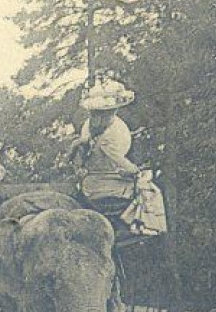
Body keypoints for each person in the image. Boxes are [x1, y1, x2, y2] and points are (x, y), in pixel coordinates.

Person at [67, 78, 167, 237]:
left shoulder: (88, 126)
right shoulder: (112, 132)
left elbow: (85, 156)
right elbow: (118, 159)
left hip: (88, 183)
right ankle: (140, 226)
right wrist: (136, 171)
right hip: (108, 187)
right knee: (150, 188)